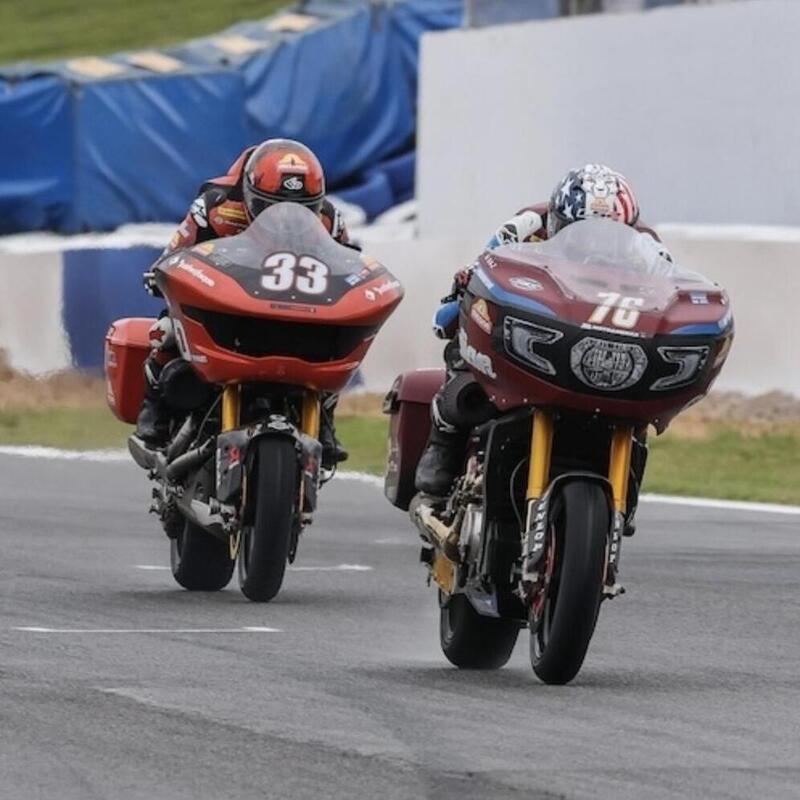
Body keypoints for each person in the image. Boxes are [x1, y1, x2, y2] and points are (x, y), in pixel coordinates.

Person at [415, 164, 668, 534]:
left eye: (608, 238)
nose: (595, 247)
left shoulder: (648, 246)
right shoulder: (525, 226)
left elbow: (667, 294)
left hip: (598, 346)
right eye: (582, 235)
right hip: (539, 332)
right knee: (472, 339)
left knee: (638, 412)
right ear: (557, 222)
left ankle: (623, 496)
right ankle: (443, 443)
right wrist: (462, 291)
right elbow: (482, 271)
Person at [135, 138, 350, 468]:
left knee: (336, 348)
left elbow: (348, 266)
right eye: (271, 207)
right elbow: (174, 254)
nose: (285, 220)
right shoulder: (215, 207)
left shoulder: (330, 220)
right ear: (250, 194)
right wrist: (160, 276)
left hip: (299, 311)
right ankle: (155, 414)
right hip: (229, 306)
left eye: (302, 210)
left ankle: (324, 421)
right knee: (166, 328)